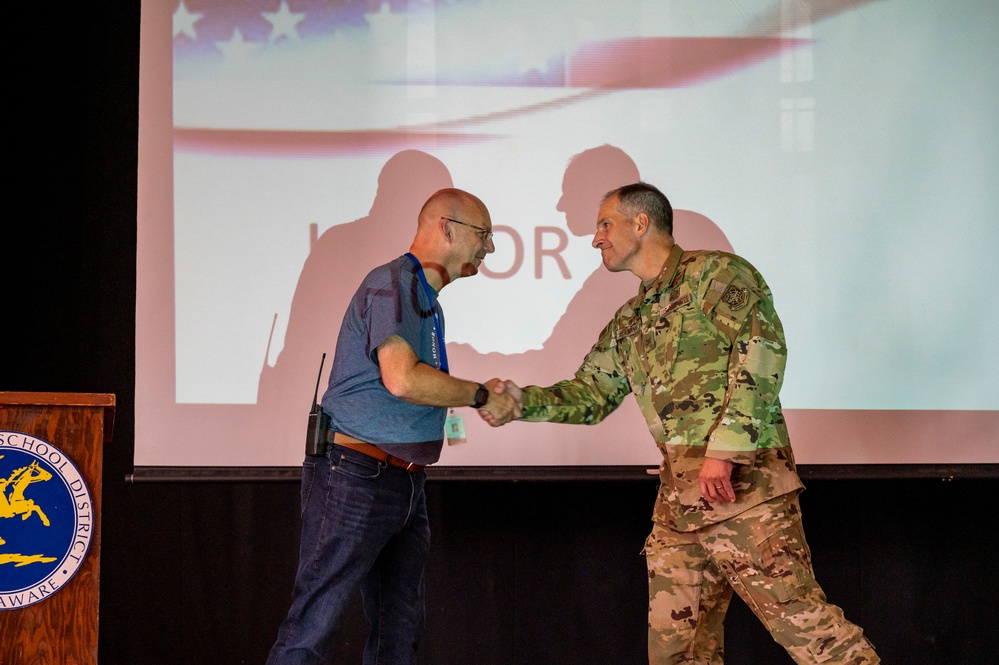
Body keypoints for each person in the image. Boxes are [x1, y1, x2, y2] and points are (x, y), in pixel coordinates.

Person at [486, 183, 879, 664]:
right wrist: (518, 402)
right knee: (677, 654)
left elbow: (762, 353)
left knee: (814, 637)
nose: (596, 238)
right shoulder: (630, 318)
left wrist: (723, 452)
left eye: (604, 224)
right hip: (679, 510)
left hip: (745, 495)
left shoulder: (715, 274)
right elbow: (590, 396)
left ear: (641, 223)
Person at [267, 188, 521, 664]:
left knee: (398, 632)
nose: (489, 249)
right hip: (357, 476)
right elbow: (402, 380)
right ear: (446, 228)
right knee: (312, 626)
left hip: (403, 482)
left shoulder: (427, 299)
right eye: (484, 235)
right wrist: (481, 395)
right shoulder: (392, 284)